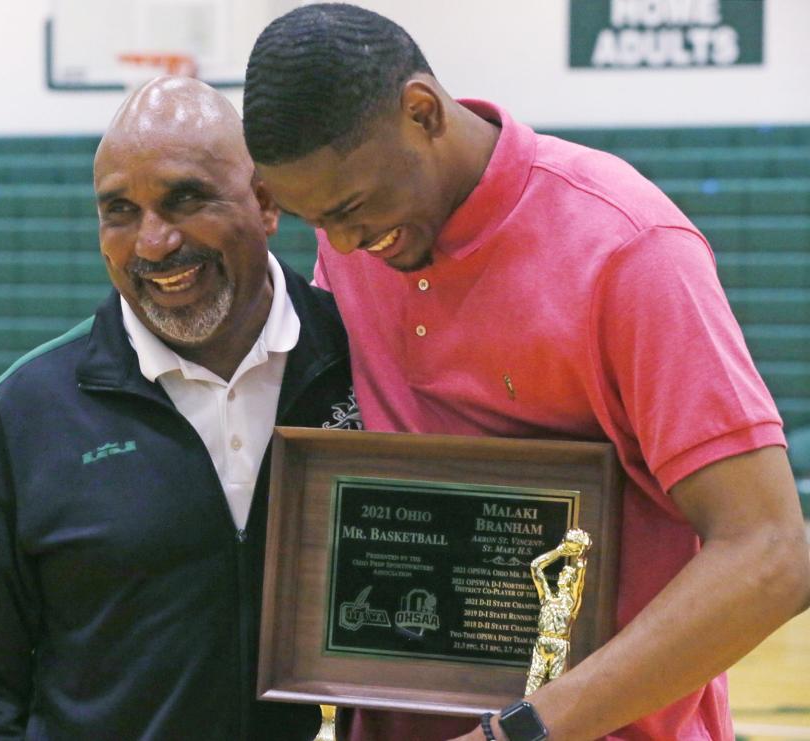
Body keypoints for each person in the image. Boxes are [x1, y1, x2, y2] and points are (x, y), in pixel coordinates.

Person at [241, 4, 810, 740]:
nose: (345, 245)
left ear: (423, 113)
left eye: (352, 208)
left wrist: (521, 731)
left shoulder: (629, 248)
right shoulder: (363, 246)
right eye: (318, 221)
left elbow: (770, 551)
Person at [0, 76, 359, 740]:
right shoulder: (32, 405)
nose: (153, 242)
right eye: (119, 210)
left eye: (185, 199)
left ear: (265, 202)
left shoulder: (357, 363)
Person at [526, 529, 592, 695]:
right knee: (532, 686)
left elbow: (579, 576)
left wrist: (582, 552)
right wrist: (559, 551)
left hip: (560, 645)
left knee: (556, 689)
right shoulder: (547, 598)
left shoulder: (572, 602)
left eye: (566, 574)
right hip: (542, 643)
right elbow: (535, 567)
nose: (562, 574)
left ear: (570, 581)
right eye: (563, 572)